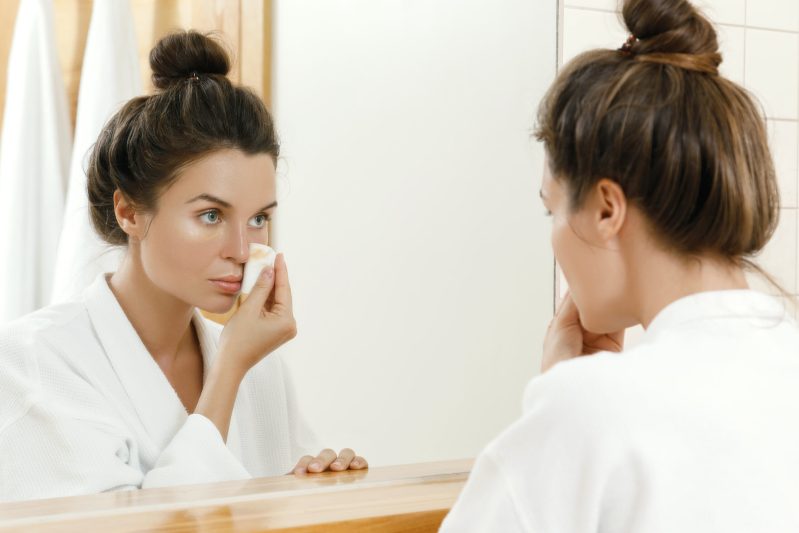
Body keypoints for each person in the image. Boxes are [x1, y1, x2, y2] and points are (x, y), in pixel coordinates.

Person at [441, 0, 799, 530]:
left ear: (607, 209)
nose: (554, 238)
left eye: (552, 208)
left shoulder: (590, 409)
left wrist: (565, 402)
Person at [0, 31, 366, 502]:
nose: (242, 248)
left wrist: (319, 488)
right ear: (130, 211)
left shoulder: (260, 371)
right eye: (210, 215)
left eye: (259, 218)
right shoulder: (33, 364)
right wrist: (229, 368)